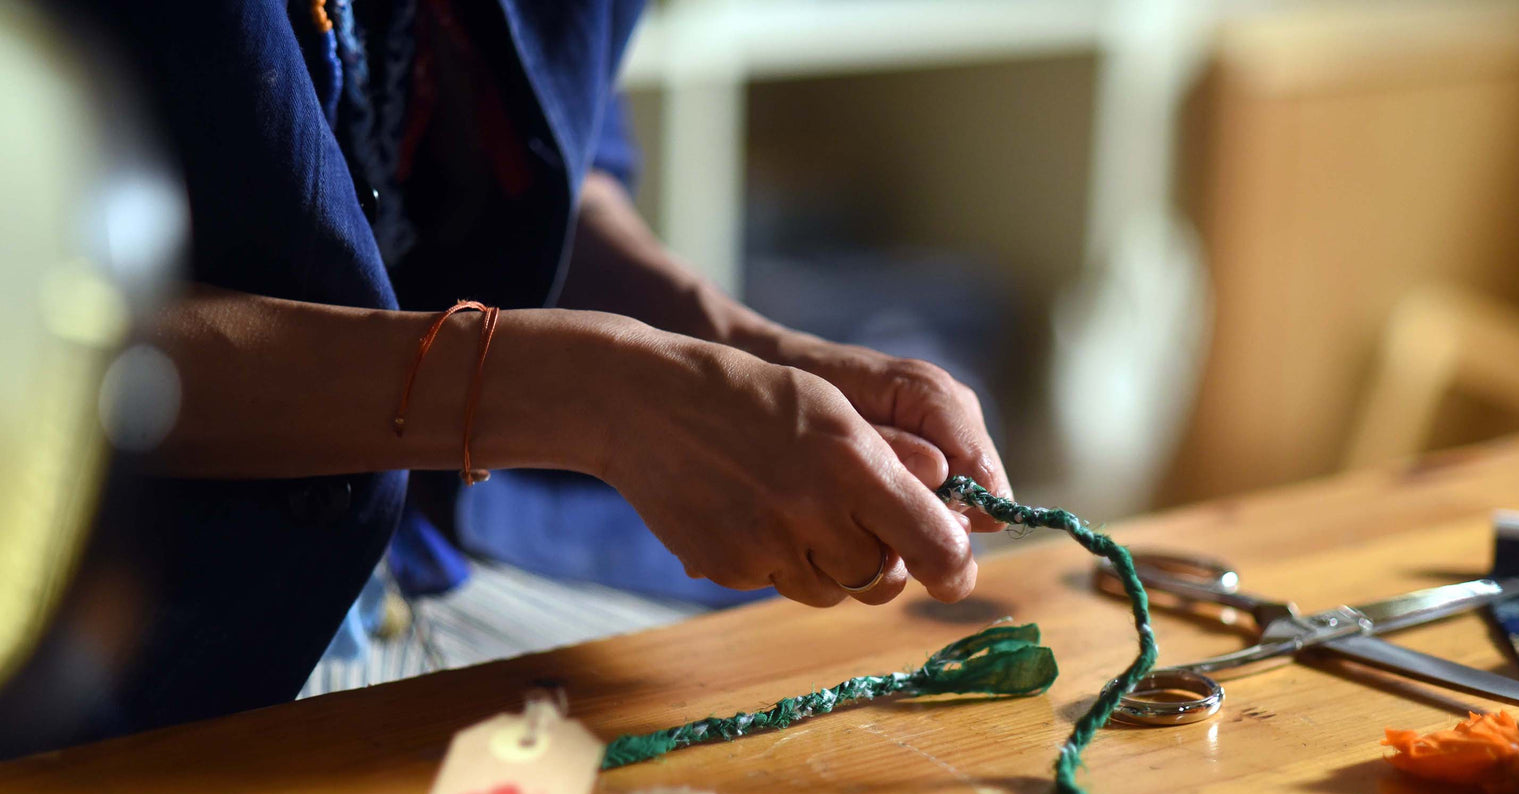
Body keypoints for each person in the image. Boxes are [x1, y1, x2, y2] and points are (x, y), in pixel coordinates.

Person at [69, 0, 1013, 741]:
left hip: (465, 540)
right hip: (123, 623)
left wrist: (738, 341)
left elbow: (547, 174)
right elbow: (41, 342)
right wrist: (585, 394)